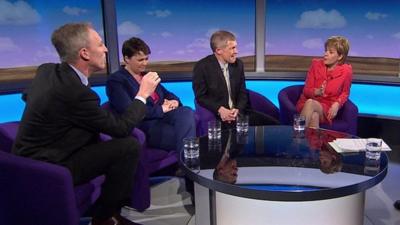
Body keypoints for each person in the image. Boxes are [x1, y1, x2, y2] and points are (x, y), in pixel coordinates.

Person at [12, 23, 160, 225]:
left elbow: (27, 95)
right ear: (85, 53)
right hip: (50, 167)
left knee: (101, 140)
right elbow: (122, 128)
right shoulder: (77, 93)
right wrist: (142, 94)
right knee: (128, 146)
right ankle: (104, 217)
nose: (106, 49)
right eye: (100, 44)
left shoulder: (47, 70)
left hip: (28, 159)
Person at [106, 37, 196, 152]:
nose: (145, 63)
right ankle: (188, 163)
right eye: (140, 60)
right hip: (145, 125)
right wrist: (162, 109)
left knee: (186, 111)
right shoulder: (116, 81)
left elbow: (167, 94)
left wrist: (175, 101)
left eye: (146, 59)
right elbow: (129, 112)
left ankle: (186, 162)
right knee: (185, 138)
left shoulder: (147, 75)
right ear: (127, 59)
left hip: (162, 117)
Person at [193, 30, 279, 129]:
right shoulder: (202, 67)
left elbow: (242, 92)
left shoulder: (238, 64)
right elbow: (201, 96)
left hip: (240, 113)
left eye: (236, 47)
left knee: (276, 126)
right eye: (232, 48)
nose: (236, 51)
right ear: (219, 50)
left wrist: (238, 109)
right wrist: (220, 110)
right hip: (219, 116)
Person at [296, 36, 352, 128]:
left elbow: (345, 92)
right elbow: (306, 90)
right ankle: (312, 142)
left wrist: (337, 104)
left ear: (340, 56)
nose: (325, 54)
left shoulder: (346, 71)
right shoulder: (316, 65)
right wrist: (316, 92)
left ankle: (297, 137)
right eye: (326, 51)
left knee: (311, 104)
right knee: (313, 115)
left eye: (330, 52)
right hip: (306, 103)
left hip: (327, 107)